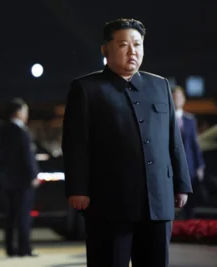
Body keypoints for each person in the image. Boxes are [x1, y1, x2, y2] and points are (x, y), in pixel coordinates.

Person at [62, 18, 192, 267]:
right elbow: (75, 143)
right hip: (109, 201)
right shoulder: (87, 89)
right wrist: (77, 188)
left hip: (157, 200)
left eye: (138, 44)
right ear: (105, 50)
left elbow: (173, 140)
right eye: (124, 44)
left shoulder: (159, 85)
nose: (133, 51)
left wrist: (181, 184)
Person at [0, 98, 41, 257]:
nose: (26, 115)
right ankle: (24, 248)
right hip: (23, 181)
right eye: (25, 111)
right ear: (18, 112)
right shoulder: (20, 131)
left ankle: (10, 248)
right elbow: (27, 156)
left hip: (9, 180)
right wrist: (33, 175)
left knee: (10, 216)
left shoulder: (4, 130)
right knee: (23, 216)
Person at [172, 86, 205, 219]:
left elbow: (195, 145)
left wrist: (200, 165)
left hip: (189, 165)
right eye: (174, 96)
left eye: (180, 96)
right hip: (172, 165)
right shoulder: (164, 119)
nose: (177, 99)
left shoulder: (190, 120)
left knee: (190, 200)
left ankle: (188, 225)